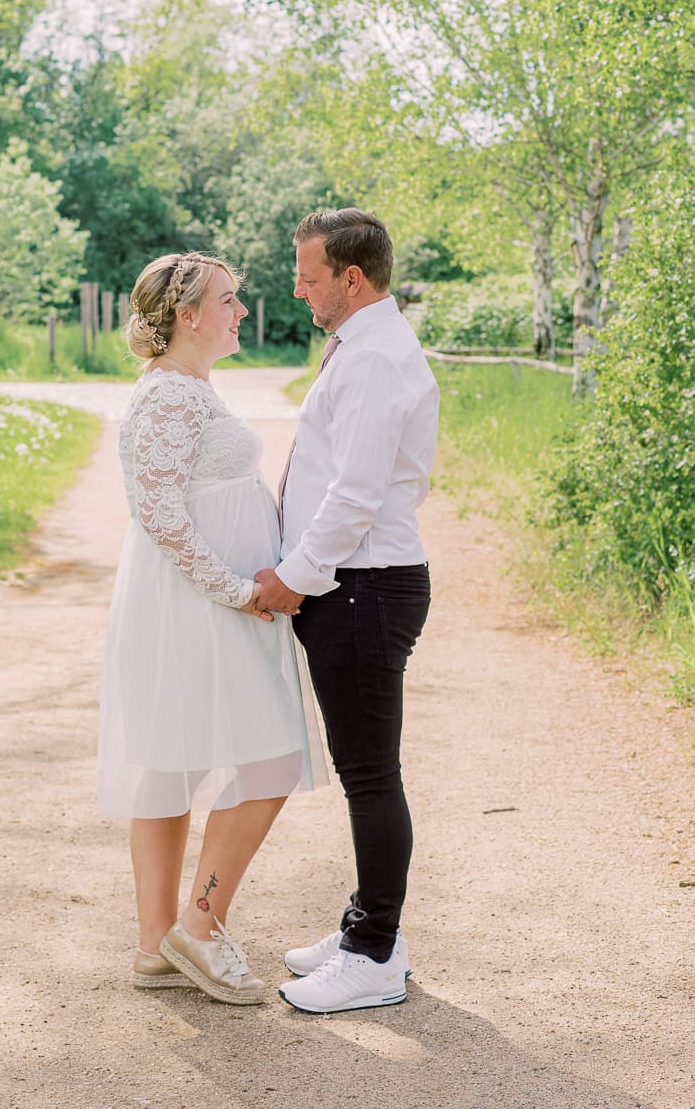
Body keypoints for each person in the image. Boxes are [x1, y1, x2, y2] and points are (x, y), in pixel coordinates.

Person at [98, 250, 325, 1006]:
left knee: (175, 764)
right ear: (187, 316)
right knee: (267, 759)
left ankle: (157, 943)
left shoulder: (190, 387)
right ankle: (197, 922)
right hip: (195, 607)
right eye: (229, 300)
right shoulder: (168, 394)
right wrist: (235, 589)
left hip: (203, 606)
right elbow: (157, 510)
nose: (241, 310)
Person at [254, 209, 439, 1015]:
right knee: (365, 769)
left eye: (308, 275)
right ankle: (368, 923)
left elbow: (356, 492)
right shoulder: (366, 347)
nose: (299, 289)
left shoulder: (374, 359)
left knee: (368, 773)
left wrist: (295, 575)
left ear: (351, 279)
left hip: (362, 586)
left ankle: (375, 953)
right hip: (358, 583)